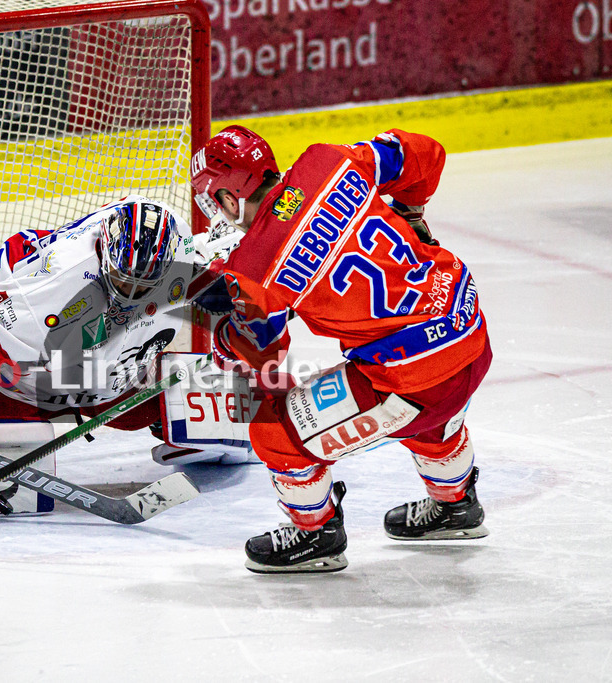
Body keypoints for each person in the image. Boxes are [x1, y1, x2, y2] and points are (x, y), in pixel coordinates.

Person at [190, 126, 492, 573]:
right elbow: (424, 154)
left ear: (230, 200)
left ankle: (316, 534)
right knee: (426, 411)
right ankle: (455, 505)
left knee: (273, 425)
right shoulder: (327, 161)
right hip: (470, 332)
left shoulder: (254, 269)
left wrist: (226, 335)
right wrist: (409, 213)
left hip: (417, 380)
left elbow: (264, 360)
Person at [0, 194, 251, 478]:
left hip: (87, 359)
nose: (131, 297)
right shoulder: (56, 287)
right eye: (123, 283)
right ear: (104, 259)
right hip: (24, 340)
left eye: (144, 287)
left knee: (155, 402)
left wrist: (214, 282)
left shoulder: (175, 251)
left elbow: (218, 244)